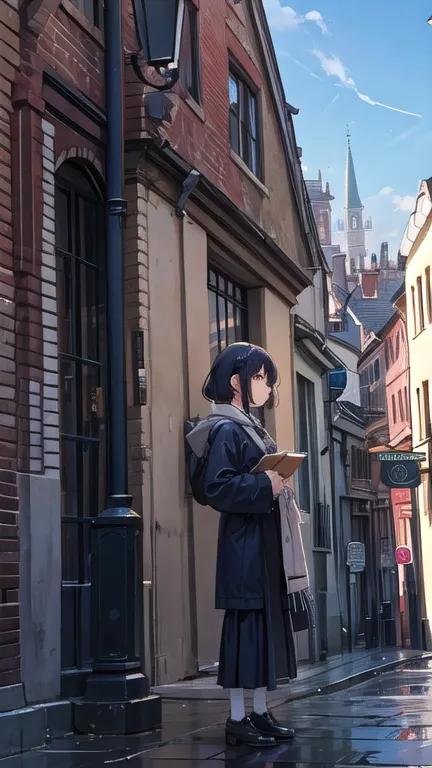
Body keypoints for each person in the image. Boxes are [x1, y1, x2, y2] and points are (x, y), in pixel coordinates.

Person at [186, 342, 311, 748]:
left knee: (264, 628)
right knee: (247, 630)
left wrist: (274, 482)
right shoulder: (226, 429)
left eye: (267, 380)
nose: (265, 386)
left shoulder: (249, 428)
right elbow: (216, 487)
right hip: (245, 547)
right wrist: (265, 483)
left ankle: (258, 712)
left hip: (261, 544)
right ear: (236, 382)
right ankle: (238, 719)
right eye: (259, 378)